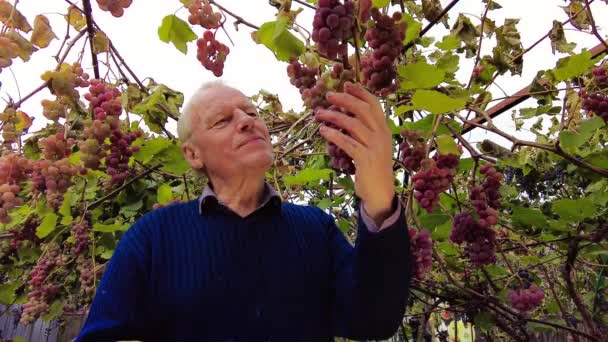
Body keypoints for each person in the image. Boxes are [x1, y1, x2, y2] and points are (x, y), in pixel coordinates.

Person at [75, 80, 411, 341]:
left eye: (251, 113)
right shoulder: (153, 235)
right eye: (223, 120)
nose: (247, 122)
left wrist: (380, 200)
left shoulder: (315, 228)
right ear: (193, 155)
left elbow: (374, 320)